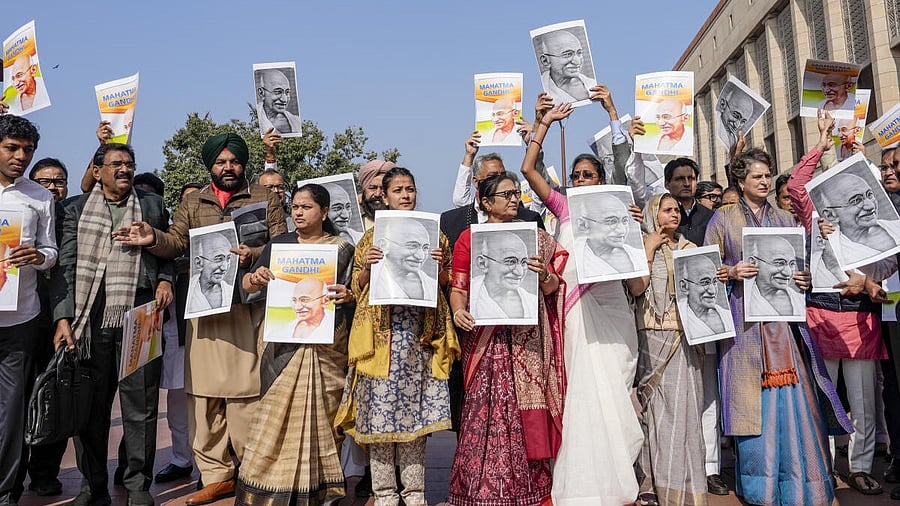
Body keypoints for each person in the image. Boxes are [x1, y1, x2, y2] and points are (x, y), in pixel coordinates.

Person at [117, 132, 287, 505]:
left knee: (247, 395)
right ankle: (216, 475)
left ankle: (251, 472)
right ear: (210, 165)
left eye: (234, 161)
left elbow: (281, 243)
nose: (228, 168)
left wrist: (254, 253)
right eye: (221, 162)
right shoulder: (194, 202)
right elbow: (177, 242)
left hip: (248, 309)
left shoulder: (265, 198)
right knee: (204, 396)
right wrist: (151, 237)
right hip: (205, 310)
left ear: (244, 164)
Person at [704, 145, 850, 505]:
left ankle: (802, 483)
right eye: (757, 176)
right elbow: (706, 271)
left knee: (793, 404)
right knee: (751, 406)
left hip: (785, 329)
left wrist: (803, 277)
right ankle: (760, 488)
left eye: (768, 175)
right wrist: (731, 272)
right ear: (740, 180)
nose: (766, 181)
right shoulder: (722, 219)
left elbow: (805, 268)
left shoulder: (786, 221)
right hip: (744, 327)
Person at [521, 102, 644, 505]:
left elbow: (637, 282)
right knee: (583, 397)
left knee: (616, 392)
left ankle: (620, 473)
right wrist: (544, 124)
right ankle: (583, 480)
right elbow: (528, 171)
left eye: (587, 175)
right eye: (574, 175)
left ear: (601, 179)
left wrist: (631, 229)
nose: (579, 179)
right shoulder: (564, 208)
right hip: (577, 316)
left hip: (612, 312)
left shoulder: (620, 213)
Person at [52, 143, 173, 506]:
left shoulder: (151, 205)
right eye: (116, 164)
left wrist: (165, 280)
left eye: (130, 164)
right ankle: (93, 486)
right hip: (90, 317)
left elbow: (166, 249)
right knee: (90, 405)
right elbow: (66, 266)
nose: (124, 169)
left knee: (142, 402)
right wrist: (63, 316)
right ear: (98, 170)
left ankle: (138, 486)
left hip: (141, 311)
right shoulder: (73, 208)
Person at [335, 167, 459, 506]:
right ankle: (385, 494)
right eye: (398, 190)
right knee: (378, 422)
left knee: (416, 419)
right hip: (380, 343)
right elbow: (358, 289)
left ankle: (415, 494)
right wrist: (367, 268)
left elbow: (448, 285)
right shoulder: (370, 240)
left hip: (420, 343)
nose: (405, 195)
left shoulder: (436, 237)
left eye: (410, 189)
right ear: (384, 197)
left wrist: (440, 267)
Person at [447, 172, 566, 506]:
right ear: (486, 202)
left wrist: (545, 275)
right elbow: (459, 289)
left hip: (527, 342)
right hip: (485, 340)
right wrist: (458, 312)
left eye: (516, 193)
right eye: (507, 194)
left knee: (522, 409)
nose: (516, 199)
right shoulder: (470, 240)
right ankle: (477, 489)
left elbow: (552, 288)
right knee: (481, 412)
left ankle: (530, 489)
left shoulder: (536, 237)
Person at [789, 110, 890, 495]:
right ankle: (825, 467)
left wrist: (868, 281)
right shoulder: (815, 216)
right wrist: (821, 142)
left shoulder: (878, 225)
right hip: (821, 314)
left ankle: (861, 467)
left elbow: (890, 261)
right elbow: (798, 185)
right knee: (823, 397)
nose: (859, 203)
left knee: (863, 403)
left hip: (861, 319)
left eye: (863, 195)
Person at [235, 183, 355, 505]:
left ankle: (318, 492)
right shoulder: (279, 245)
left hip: (326, 350)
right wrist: (255, 277)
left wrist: (349, 295)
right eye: (295, 207)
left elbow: (354, 293)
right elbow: (247, 284)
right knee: (272, 418)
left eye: (306, 207)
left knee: (322, 423)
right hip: (281, 349)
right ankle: (264, 491)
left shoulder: (342, 248)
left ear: (324, 212)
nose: (298, 213)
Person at [629, 193, 709, 506]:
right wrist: (649, 247)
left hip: (686, 338)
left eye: (677, 209)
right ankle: (653, 484)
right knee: (656, 415)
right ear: (653, 213)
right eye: (666, 209)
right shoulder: (640, 244)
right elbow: (636, 289)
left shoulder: (691, 249)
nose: (674, 214)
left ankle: (684, 489)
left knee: (686, 414)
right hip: (652, 335)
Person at [0, 114, 58, 506]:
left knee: (11, 412)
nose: (21, 157)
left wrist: (37, 255)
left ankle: (5, 491)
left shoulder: (40, 197)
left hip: (20, 317)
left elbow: (52, 252)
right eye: (12, 148)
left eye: (28, 150)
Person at [19, 157, 69, 498]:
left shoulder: (74, 217)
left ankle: (44, 472)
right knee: (17, 399)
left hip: (62, 319)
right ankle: (13, 470)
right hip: (21, 318)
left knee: (55, 397)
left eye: (58, 181)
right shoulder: (19, 213)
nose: (53, 187)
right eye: (45, 181)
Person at [813, 171, 900, 267]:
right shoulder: (838, 250)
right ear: (831, 215)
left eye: (869, 195)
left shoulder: (896, 226)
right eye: (856, 200)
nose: (870, 206)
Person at [469, 229, 538, 320]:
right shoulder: (469, 298)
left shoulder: (532, 302)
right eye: (510, 261)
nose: (519, 272)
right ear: (483, 263)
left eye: (523, 262)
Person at [571, 192, 645, 277]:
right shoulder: (574, 256)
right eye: (611, 221)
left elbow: (637, 289)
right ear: (584, 225)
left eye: (625, 221)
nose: (622, 230)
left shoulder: (637, 255)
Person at [371, 219, 436, 301]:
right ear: (384, 245)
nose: (420, 256)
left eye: (425, 248)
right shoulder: (374, 279)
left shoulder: (431, 285)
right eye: (412, 246)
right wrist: (367, 270)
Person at [743, 235, 804, 318]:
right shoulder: (743, 301)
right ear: (753, 263)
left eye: (792, 264)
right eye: (779, 263)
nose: (788, 273)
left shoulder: (799, 300)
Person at [678, 254, 734, 340]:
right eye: (704, 282)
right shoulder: (680, 318)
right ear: (684, 287)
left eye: (715, 282)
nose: (712, 291)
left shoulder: (726, 316)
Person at [537, 29, 596, 103]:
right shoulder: (539, 88)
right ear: (545, 61)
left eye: (579, 53)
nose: (577, 62)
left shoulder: (592, 85)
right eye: (567, 54)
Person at [187, 232, 235, 314]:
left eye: (228, 259)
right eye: (219, 259)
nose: (225, 267)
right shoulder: (188, 293)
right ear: (199, 263)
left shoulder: (231, 292)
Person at [256, 68, 301, 135]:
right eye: (278, 92)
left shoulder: (296, 121)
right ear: (261, 93)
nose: (284, 99)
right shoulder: (255, 120)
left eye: (287, 92)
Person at [358, 159, 396, 230]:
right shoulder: (355, 224)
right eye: (373, 188)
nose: (378, 194)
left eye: (383, 188)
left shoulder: (400, 221)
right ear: (364, 191)